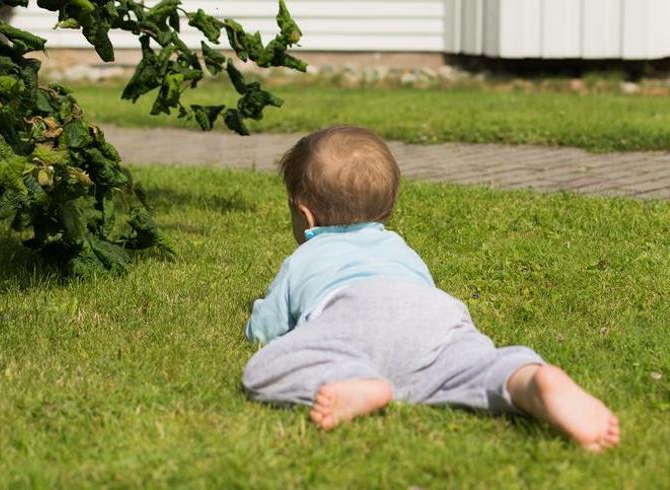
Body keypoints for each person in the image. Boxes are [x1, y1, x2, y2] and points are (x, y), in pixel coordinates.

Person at [242, 125, 620, 452]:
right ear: (386, 210)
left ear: (304, 215)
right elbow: (416, 301)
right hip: (434, 311)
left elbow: (267, 329)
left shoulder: (307, 256)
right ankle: (525, 378)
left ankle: (354, 379)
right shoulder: (399, 247)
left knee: (265, 369)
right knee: (468, 364)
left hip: (352, 307)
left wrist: (255, 323)